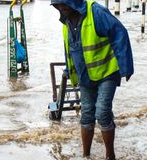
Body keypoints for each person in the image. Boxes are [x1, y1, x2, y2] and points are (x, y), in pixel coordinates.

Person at [50, 0, 134, 159]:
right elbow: (69, 49)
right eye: (58, 5)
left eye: (63, 3)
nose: (61, 7)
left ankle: (110, 156)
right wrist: (69, 69)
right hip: (85, 76)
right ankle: (86, 156)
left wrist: (126, 66)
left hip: (107, 72)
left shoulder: (95, 12)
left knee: (102, 112)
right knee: (87, 114)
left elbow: (120, 33)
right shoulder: (66, 22)